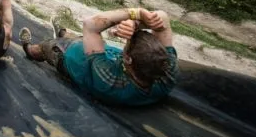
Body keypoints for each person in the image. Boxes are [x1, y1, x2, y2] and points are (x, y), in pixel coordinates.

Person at [19, 8, 178, 106]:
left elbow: (90, 24)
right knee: (81, 38)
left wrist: (135, 13)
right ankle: (63, 32)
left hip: (70, 58)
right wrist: (135, 24)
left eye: (128, 43)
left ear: (128, 59)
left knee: (48, 46)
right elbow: (162, 17)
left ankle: (29, 49)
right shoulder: (164, 72)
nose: (126, 41)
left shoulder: (109, 81)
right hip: (99, 51)